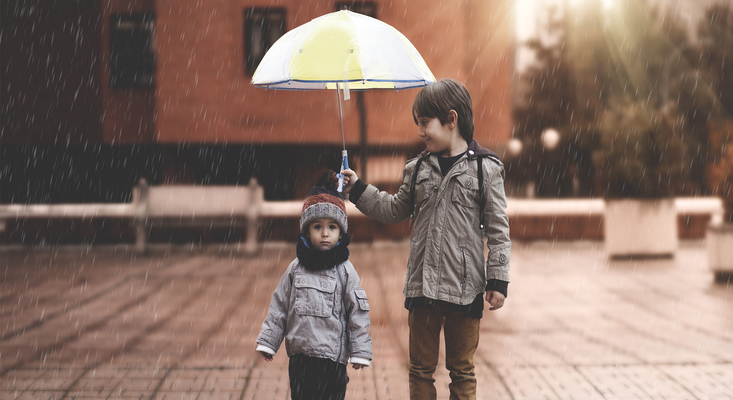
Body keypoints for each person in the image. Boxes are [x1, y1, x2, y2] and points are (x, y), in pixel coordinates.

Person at [341, 78, 511, 400]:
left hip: (466, 289)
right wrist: (359, 189)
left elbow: (498, 230)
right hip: (423, 288)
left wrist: (498, 279)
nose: (420, 131)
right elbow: (394, 209)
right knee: (420, 370)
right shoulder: (418, 168)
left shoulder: (484, 169)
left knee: (462, 371)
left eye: (424, 123)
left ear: (451, 119)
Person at [256, 170, 372, 400]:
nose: (325, 233)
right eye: (317, 226)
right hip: (300, 360)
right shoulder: (296, 268)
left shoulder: (345, 271)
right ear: (307, 231)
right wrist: (269, 341)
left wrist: (360, 352)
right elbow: (279, 306)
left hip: (332, 362)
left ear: (341, 232)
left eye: (332, 227)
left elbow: (357, 312)